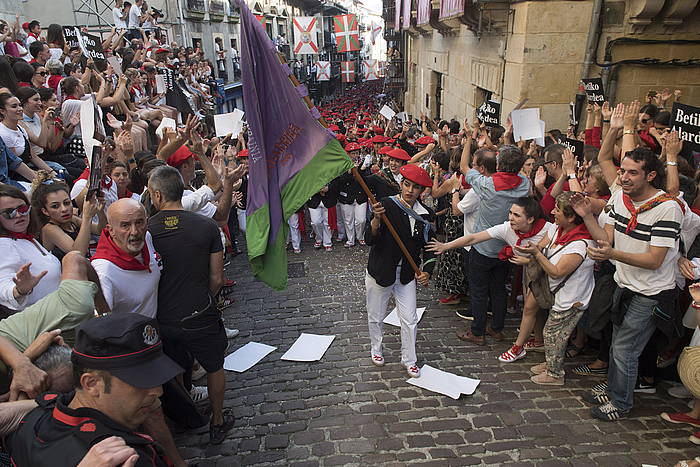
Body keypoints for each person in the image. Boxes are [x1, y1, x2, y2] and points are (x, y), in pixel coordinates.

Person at [573, 146, 683, 421]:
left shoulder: (667, 209)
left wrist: (612, 254)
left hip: (651, 293)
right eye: (622, 171)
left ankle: (621, 402)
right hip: (624, 285)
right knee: (617, 345)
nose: (624, 177)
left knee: (625, 349)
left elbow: (655, 259)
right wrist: (587, 215)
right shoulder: (620, 198)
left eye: (633, 172)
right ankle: (613, 388)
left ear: (651, 175)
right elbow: (606, 238)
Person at [6, 312, 183, 466]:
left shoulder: (29, 421)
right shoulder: (124, 458)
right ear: (91, 384)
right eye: (140, 381)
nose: (157, 391)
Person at [147, 165, 237, 444]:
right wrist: (206, 300)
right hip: (200, 311)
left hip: (164, 316)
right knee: (214, 365)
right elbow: (217, 277)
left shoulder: (147, 229)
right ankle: (218, 420)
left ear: (157, 196)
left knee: (173, 369)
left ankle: (184, 415)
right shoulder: (206, 226)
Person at [429, 196, 552, 361]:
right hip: (531, 273)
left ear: (530, 219)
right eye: (510, 213)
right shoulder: (507, 228)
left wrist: (529, 261)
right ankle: (538, 341)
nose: (510, 218)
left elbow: (558, 257)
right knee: (534, 310)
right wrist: (446, 246)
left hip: (550, 274)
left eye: (516, 215)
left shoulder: (550, 230)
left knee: (530, 309)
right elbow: (474, 238)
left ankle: (517, 347)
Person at [365, 164, 435, 378]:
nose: (410, 190)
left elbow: (430, 248)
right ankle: (376, 348)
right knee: (376, 316)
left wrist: (427, 271)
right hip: (381, 271)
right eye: (407, 184)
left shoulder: (427, 215)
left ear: (422, 191)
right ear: (401, 184)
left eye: (415, 187)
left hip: (406, 276)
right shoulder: (385, 205)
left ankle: (409, 359)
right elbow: (370, 238)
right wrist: (376, 220)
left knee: (410, 319)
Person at [458, 145, 530, 345]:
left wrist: (469, 140)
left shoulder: (486, 184)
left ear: (498, 164)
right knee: (499, 289)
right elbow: (521, 175)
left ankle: (477, 331)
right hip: (505, 248)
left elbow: (464, 165)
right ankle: (496, 328)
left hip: (483, 246)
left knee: (479, 290)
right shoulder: (524, 183)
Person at [91, 198, 160, 317]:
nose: (134, 231)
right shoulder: (103, 271)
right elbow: (99, 322)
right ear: (111, 230)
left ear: (147, 222)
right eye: (125, 225)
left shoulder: (146, 238)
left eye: (139, 222)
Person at [0, 183, 61, 311]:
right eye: (8, 213)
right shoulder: (4, 244)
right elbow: (3, 284)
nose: (18, 215)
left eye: (22, 209)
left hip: (57, 310)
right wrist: (19, 290)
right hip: (43, 321)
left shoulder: (27, 238)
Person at [30, 172, 106, 261]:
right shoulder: (49, 228)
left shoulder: (72, 220)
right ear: (45, 211)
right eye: (55, 206)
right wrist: (87, 217)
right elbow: (78, 253)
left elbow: (100, 230)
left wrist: (100, 211)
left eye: (66, 203)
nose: (64, 209)